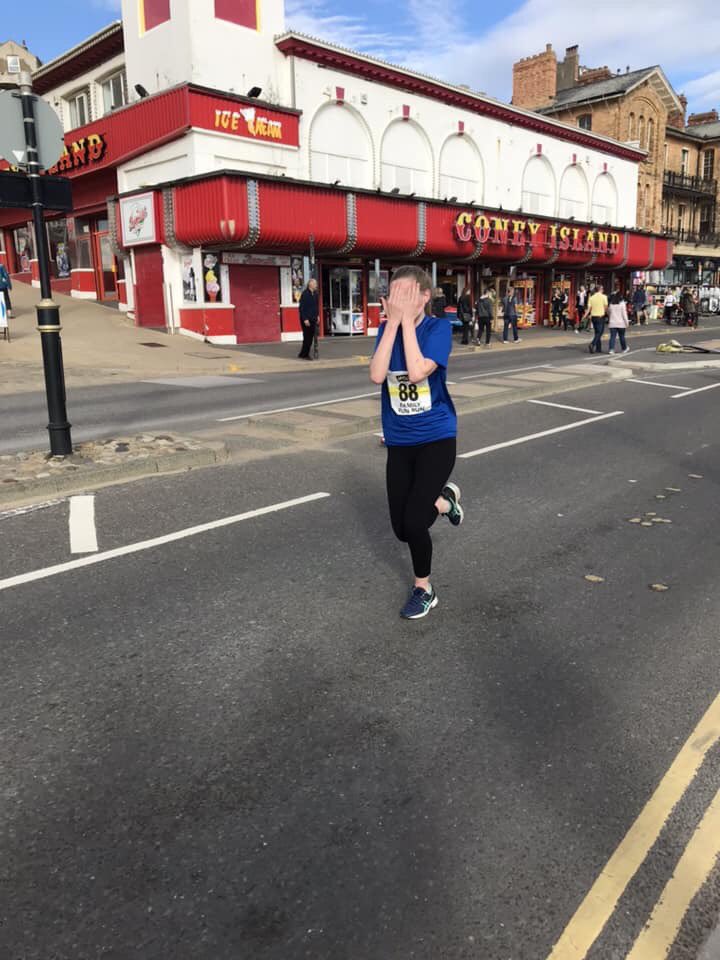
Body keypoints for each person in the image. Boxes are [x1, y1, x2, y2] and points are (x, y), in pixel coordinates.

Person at [369, 265, 463, 621]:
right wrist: (392, 323)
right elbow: (378, 374)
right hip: (399, 440)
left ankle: (424, 588)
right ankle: (446, 501)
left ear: (425, 296)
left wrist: (406, 322)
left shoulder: (438, 329)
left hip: (437, 436)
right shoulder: (386, 329)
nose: (398, 303)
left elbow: (418, 370)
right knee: (400, 528)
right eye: (394, 296)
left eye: (405, 296)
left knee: (413, 523)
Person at [298, 278, 319, 360]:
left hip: (313, 318)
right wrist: (305, 319)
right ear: (310, 284)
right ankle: (305, 354)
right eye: (315, 284)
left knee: (310, 338)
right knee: (307, 337)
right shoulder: (305, 294)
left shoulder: (316, 294)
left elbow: (316, 307)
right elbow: (302, 308)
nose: (316, 285)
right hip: (306, 319)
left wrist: (317, 316)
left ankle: (302, 354)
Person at [584, 283, 608, 354]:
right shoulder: (604, 297)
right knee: (600, 332)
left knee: (597, 332)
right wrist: (609, 314)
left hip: (593, 317)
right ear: (600, 289)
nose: (603, 290)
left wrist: (584, 316)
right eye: (602, 289)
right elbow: (606, 307)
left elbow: (588, 309)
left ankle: (598, 348)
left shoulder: (591, 298)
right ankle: (592, 344)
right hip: (601, 316)